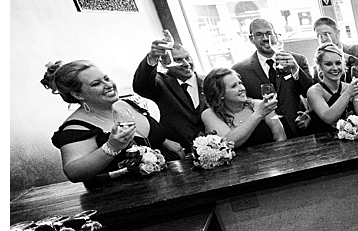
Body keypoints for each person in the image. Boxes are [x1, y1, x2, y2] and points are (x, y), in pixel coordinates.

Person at [43, 60, 171, 184]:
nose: (109, 85)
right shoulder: (76, 128)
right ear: (78, 95)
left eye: (107, 78)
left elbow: (147, 138)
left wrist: (166, 142)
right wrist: (111, 147)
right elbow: (73, 172)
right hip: (123, 198)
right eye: (96, 84)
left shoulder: (127, 104)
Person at [232, 18, 313, 138]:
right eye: (259, 34)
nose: (265, 38)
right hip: (266, 135)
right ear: (251, 38)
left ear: (275, 36)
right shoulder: (240, 70)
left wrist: (296, 70)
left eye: (269, 33)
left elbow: (311, 92)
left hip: (299, 129)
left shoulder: (297, 60)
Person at [132, 35, 205, 151]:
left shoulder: (209, 81)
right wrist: (152, 57)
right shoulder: (161, 84)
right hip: (179, 154)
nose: (186, 64)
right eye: (178, 60)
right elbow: (141, 85)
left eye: (188, 57)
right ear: (164, 63)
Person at [200, 68, 285, 148]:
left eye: (240, 83)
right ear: (220, 94)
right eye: (234, 86)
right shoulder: (209, 114)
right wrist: (258, 114)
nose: (242, 88)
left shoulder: (260, 105)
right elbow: (228, 142)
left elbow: (280, 138)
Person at [313, 17, 358, 117]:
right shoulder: (319, 63)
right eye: (319, 36)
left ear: (337, 33)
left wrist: (349, 58)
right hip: (338, 115)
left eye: (327, 34)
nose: (323, 39)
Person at [306, 44, 358, 131]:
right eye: (328, 64)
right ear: (320, 67)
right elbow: (328, 118)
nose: (335, 68)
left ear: (344, 65)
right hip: (323, 142)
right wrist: (348, 93)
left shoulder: (351, 88)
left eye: (338, 63)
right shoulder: (314, 91)